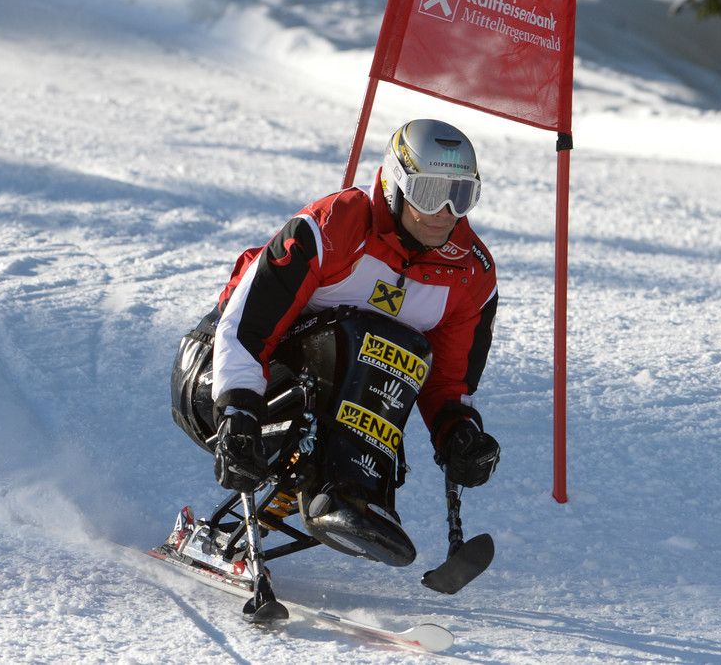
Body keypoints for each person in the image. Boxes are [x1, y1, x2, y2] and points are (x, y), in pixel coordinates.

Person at [172, 118, 501, 521]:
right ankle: (320, 489)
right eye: (430, 193)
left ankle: (351, 494)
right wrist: (238, 410)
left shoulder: (472, 275)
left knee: (400, 352)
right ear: (396, 185)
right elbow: (247, 325)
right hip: (215, 377)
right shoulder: (335, 224)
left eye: (461, 196)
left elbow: (450, 383)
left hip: (321, 403)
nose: (445, 213)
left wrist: (458, 434)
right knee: (361, 334)